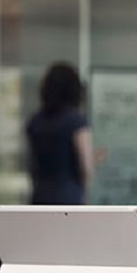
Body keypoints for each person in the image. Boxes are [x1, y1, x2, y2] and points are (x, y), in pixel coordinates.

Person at [26, 61, 94, 205]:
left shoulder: (35, 121)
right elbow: (86, 165)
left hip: (40, 194)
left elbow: (33, 163)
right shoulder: (76, 120)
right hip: (69, 195)